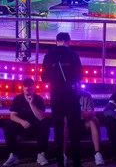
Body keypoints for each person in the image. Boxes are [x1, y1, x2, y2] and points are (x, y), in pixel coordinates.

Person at [41, 32, 83, 167]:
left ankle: (60, 162)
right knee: (74, 130)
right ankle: (76, 162)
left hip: (56, 95)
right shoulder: (73, 55)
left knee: (58, 130)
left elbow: (44, 78)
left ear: (56, 41)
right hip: (71, 94)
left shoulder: (48, 56)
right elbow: (80, 76)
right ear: (68, 41)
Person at [2, 78, 50, 167]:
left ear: (33, 88)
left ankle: (40, 153)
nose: (28, 89)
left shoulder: (39, 99)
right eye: (26, 88)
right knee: (7, 124)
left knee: (45, 123)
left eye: (30, 88)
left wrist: (31, 103)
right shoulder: (18, 99)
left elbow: (41, 117)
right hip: (22, 126)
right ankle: (14, 154)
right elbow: (12, 116)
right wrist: (22, 122)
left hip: (35, 127)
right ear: (23, 88)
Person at [62, 90, 105, 166]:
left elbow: (92, 112)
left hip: (84, 123)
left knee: (94, 120)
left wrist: (87, 113)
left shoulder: (86, 95)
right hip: (71, 125)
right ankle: (63, 155)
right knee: (65, 121)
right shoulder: (65, 95)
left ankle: (98, 153)